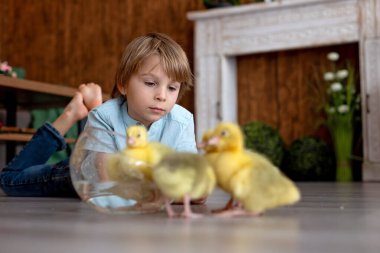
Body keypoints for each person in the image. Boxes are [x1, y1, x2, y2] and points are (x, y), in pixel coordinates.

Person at [0, 32, 197, 197]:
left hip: (117, 169)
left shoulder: (182, 120)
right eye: (150, 83)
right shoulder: (106, 115)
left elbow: (194, 184)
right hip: (82, 175)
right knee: (9, 181)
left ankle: (91, 114)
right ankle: (71, 114)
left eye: (172, 88)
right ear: (123, 84)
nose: (162, 96)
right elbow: (108, 185)